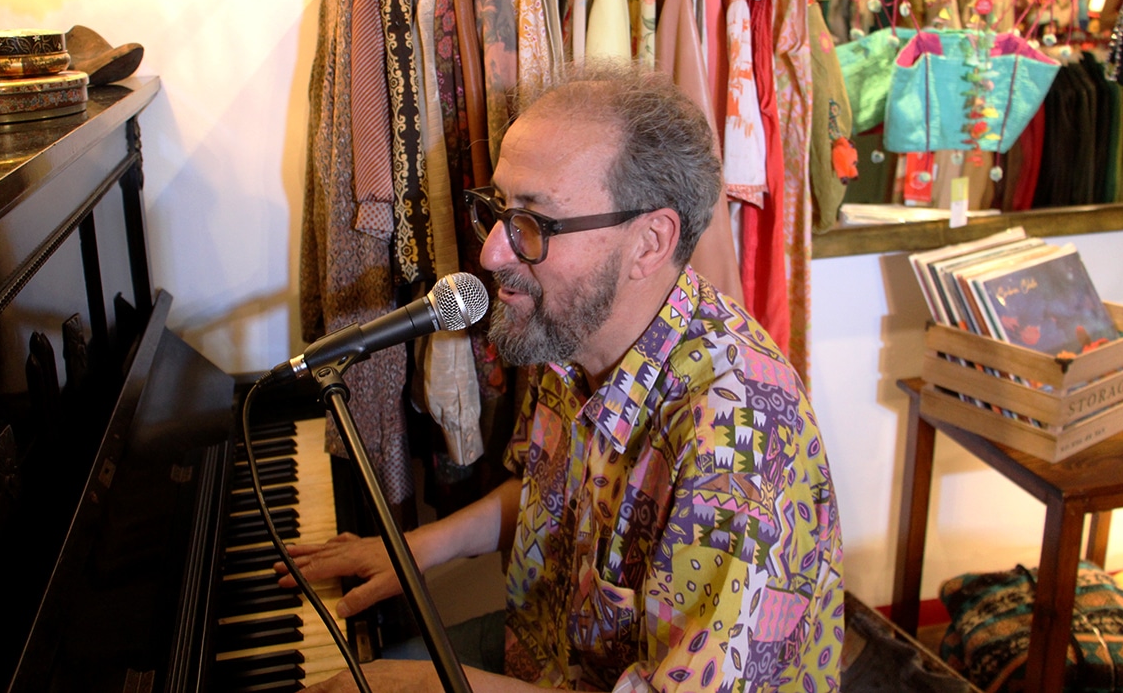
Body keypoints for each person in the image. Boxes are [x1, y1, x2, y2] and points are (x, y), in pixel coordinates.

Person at [278, 62, 845, 692]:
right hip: (545, 657)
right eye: (498, 209)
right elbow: (547, 488)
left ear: (650, 242)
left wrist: (428, 688)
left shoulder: (739, 440)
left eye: (533, 224)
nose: (492, 252)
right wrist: (419, 547)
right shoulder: (570, 330)